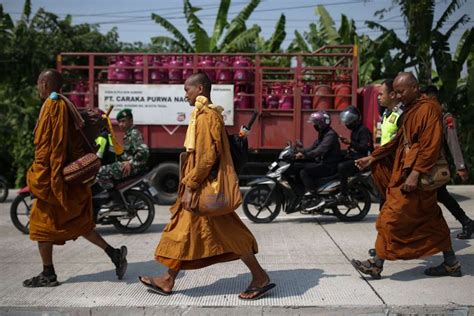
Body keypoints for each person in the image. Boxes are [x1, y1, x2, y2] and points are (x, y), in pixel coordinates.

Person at [138, 73, 275, 300]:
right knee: (184, 230)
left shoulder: (205, 116)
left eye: (187, 90)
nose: (185, 95)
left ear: (199, 88)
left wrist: (191, 185)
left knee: (229, 232)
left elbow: (207, 157)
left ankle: (259, 276)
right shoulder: (206, 115)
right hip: (199, 186)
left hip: (203, 188)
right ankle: (168, 279)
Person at [351, 72, 462, 279]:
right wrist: (373, 158)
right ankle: (451, 263)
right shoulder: (411, 111)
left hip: (417, 177)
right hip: (409, 173)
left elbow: (430, 145)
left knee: (389, 217)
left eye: (401, 92)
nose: (398, 96)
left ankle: (376, 265)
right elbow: (398, 141)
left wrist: (415, 174)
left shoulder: (427, 110)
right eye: (396, 92)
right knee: (431, 220)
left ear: (415, 88)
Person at [24, 69, 127, 287]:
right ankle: (114, 254)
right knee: (80, 224)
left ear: (44, 83)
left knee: (40, 226)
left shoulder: (54, 106)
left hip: (55, 178)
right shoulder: (64, 104)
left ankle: (48, 274)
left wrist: (41, 174)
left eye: (38, 83)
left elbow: (51, 148)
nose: (37, 88)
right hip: (68, 179)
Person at [421, 85, 473, 239]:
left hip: (438, 166)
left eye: (424, 98)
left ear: (432, 98)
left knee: (438, 196)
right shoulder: (428, 115)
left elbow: (453, 142)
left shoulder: (445, 117)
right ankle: (467, 222)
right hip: (428, 165)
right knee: (441, 196)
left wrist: (460, 166)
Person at [96, 108, 149, 197]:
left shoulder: (134, 133)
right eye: (119, 122)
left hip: (132, 167)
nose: (121, 124)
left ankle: (114, 196)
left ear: (131, 120)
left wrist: (130, 163)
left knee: (101, 171)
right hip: (127, 165)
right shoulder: (128, 133)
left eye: (123, 121)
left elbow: (144, 151)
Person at [371, 79, 404, 207]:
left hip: (396, 164)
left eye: (381, 94)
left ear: (392, 95)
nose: (378, 97)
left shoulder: (402, 114)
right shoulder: (386, 113)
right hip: (385, 161)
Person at [295, 111, 342, 195]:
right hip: (322, 162)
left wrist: (305, 156)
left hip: (329, 165)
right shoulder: (323, 134)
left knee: (304, 172)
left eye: (316, 123)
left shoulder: (330, 135)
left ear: (322, 124)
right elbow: (313, 147)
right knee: (297, 166)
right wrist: (298, 151)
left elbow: (320, 151)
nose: (314, 126)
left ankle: (314, 196)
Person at [337, 105, 373, 200]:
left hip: (361, 160)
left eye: (350, 120)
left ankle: (343, 194)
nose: (348, 123)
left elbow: (365, 147)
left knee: (342, 167)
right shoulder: (354, 131)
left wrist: (350, 142)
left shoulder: (363, 130)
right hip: (353, 156)